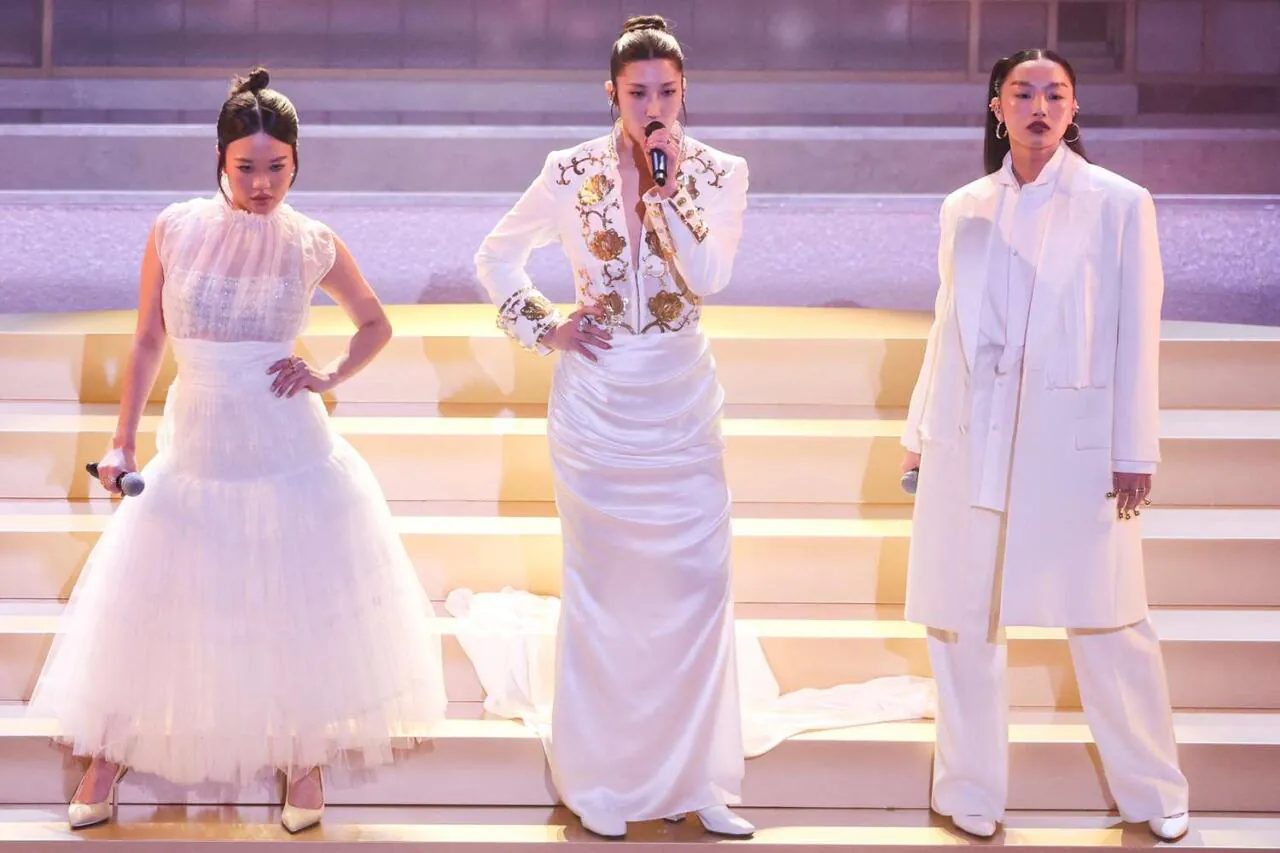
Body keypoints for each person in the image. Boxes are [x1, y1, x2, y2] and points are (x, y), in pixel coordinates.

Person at [28, 66, 448, 834]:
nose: (261, 184)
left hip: (287, 444)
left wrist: (329, 374)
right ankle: (108, 755)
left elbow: (375, 323)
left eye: (276, 167)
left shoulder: (312, 240)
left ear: (297, 162)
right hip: (197, 439)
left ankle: (304, 758)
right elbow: (148, 338)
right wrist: (122, 438)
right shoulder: (175, 227)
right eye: (246, 166)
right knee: (159, 594)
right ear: (220, 159)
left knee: (294, 600)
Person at [473, 14, 754, 840]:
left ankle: (699, 776)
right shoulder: (568, 171)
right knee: (604, 592)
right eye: (638, 93)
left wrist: (670, 197)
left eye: (667, 92)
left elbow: (712, 277)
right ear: (612, 94)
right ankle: (599, 777)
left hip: (679, 397)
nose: (653, 107)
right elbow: (495, 255)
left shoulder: (719, 172)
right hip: (597, 402)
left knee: (697, 587)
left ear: (685, 92)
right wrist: (544, 325)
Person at [900, 49, 1190, 841]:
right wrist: (919, 434)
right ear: (997, 107)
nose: (1039, 106)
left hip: (1073, 443)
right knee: (961, 619)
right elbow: (945, 325)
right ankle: (969, 789)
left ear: (1073, 108)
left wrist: (1135, 448)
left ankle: (1154, 790)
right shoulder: (963, 207)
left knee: (1108, 620)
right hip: (972, 436)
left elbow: (1138, 332)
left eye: (1054, 94)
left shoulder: (1119, 204)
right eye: (1022, 93)